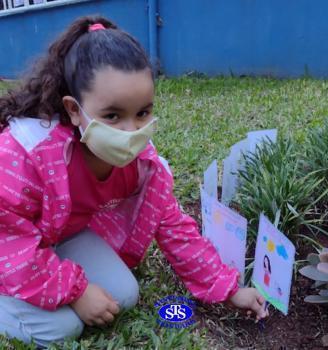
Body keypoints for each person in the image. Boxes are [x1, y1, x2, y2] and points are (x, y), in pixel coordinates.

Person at [0, 15, 268, 348]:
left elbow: (173, 227)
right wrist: (77, 291)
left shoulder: (143, 164)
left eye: (142, 112)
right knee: (60, 329)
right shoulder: (24, 155)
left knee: (123, 293)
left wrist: (228, 289)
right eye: (112, 115)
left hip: (56, 237)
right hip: (9, 247)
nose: (131, 131)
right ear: (73, 109)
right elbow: (9, 244)